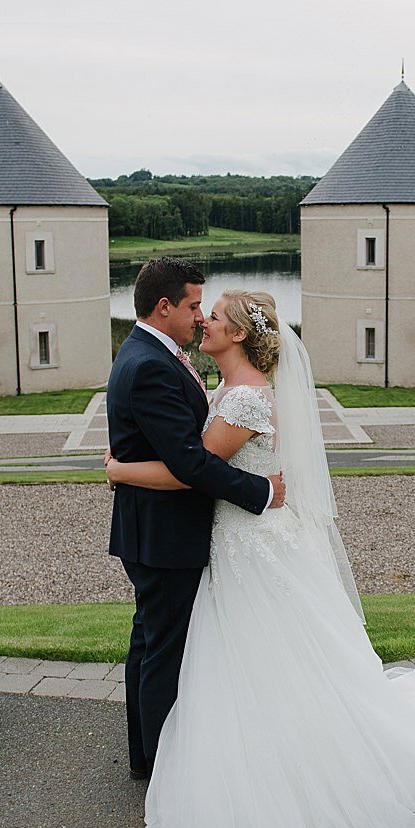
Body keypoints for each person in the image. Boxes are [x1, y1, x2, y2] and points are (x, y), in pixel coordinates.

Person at [106, 289, 415, 828]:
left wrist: (119, 469)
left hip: (250, 539)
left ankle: (290, 764)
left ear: (241, 335)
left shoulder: (249, 394)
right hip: (242, 538)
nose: (204, 321)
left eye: (216, 317)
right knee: (251, 650)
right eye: (203, 312)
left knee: (263, 647)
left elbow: (191, 471)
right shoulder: (229, 387)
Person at [105, 258, 286, 783]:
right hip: (164, 534)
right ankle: (162, 767)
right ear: (165, 307)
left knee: (151, 644)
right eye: (192, 306)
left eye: (206, 309)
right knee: (162, 650)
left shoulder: (153, 354)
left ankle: (148, 756)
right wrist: (259, 490)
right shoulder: (152, 364)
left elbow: (183, 447)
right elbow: (190, 465)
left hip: (161, 530)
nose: (199, 317)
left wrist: (122, 468)